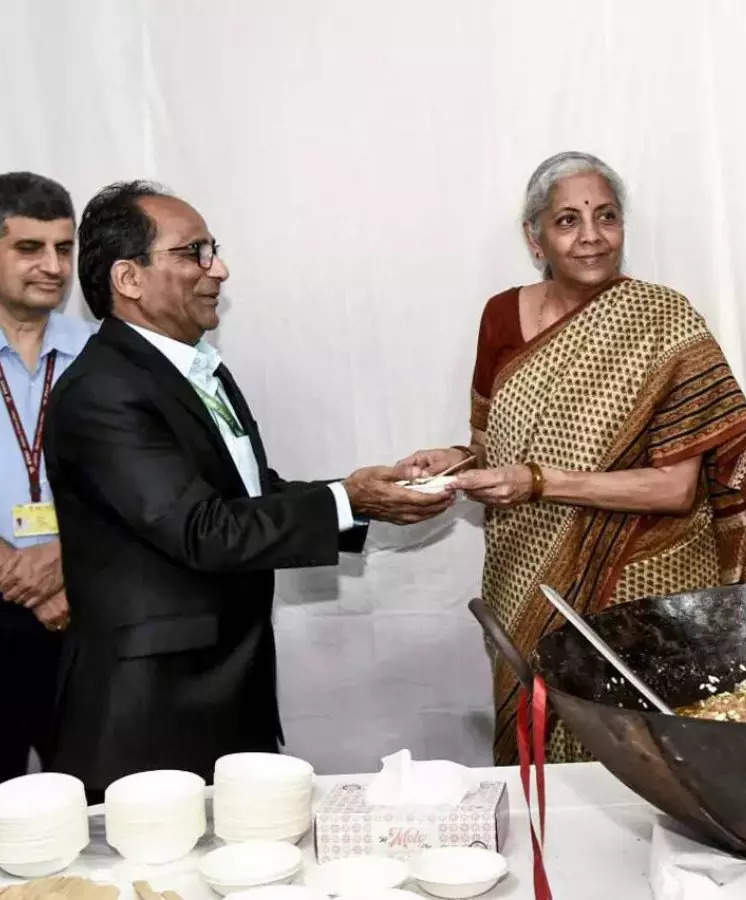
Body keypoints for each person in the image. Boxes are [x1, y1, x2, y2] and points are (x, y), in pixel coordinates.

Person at [44, 181, 454, 794]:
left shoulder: (197, 368)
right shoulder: (102, 391)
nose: (219, 269)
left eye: (214, 250)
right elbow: (203, 530)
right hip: (150, 712)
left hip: (224, 689)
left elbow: (248, 498)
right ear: (129, 279)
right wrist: (350, 499)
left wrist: (371, 496)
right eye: (195, 253)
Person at [399, 151, 746, 765]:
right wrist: (455, 461)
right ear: (535, 238)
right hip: (526, 574)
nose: (591, 237)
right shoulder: (501, 315)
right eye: (567, 220)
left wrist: (537, 482)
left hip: (646, 579)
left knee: (638, 760)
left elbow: (675, 489)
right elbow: (494, 446)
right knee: (545, 761)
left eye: (606, 216)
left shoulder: (664, 321)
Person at [0, 172, 92, 781]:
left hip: (85, 602)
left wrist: (66, 555)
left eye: (64, 248)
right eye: (30, 248)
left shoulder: (103, 352)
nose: (53, 266)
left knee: (95, 802)